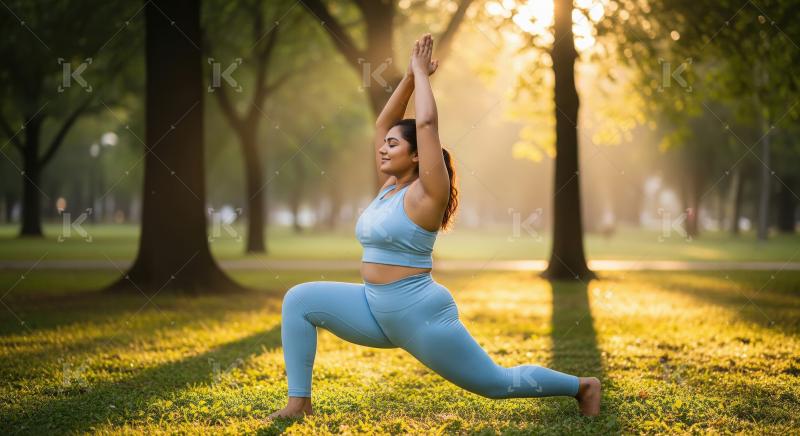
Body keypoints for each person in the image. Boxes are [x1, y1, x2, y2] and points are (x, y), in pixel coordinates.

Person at [267, 33, 601, 420]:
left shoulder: (427, 194)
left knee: (495, 383)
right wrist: (409, 76)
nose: (383, 147)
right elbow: (382, 123)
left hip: (417, 312)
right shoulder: (389, 189)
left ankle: (582, 386)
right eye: (385, 144)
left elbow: (425, 123)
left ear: (415, 156)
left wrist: (424, 77)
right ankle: (299, 404)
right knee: (300, 299)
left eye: (393, 145)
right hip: (373, 306)